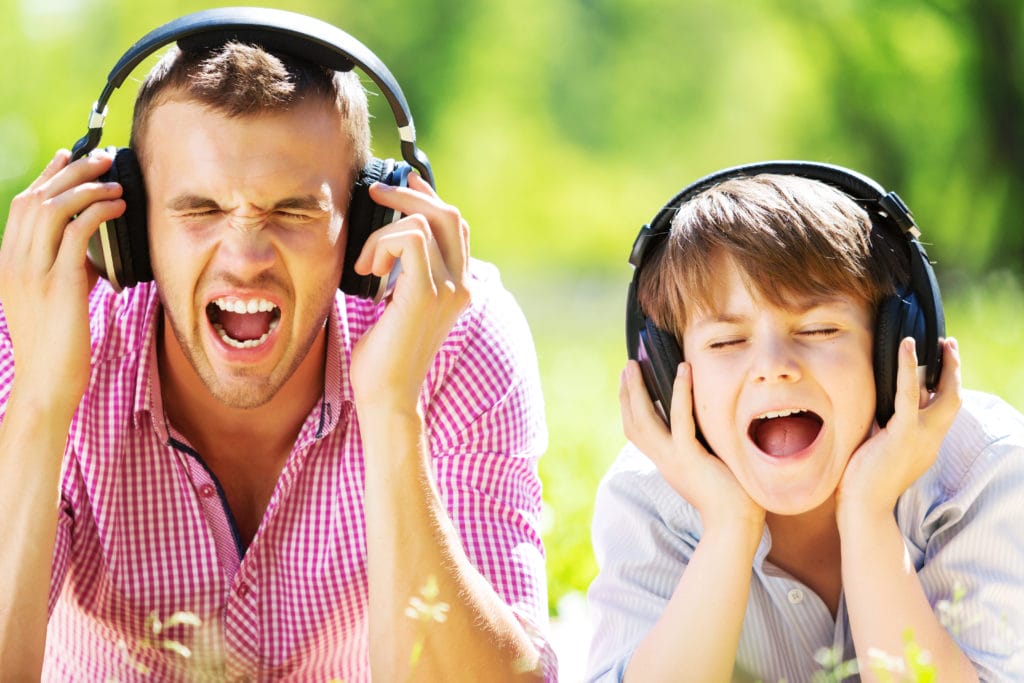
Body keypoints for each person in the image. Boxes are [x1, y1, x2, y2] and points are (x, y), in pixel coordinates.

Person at [0, 10, 556, 682]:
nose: (244, 259)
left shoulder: (454, 334)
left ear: (364, 228)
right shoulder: (35, 326)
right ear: (132, 226)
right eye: (199, 209)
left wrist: (391, 410)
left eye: (292, 211)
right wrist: (38, 400)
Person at [585, 163, 1024, 682]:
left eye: (818, 329)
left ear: (895, 345)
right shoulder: (648, 497)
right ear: (665, 373)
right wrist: (729, 527)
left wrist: (867, 511)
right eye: (726, 341)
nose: (773, 366)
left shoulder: (980, 466)